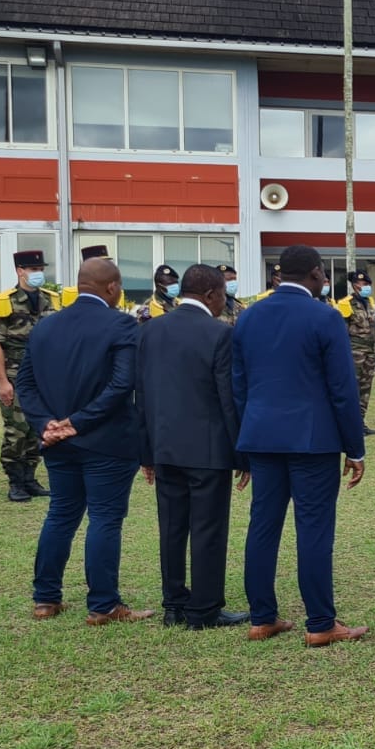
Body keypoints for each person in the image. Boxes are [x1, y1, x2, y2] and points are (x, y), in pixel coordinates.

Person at [232, 244, 368, 646]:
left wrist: (246, 439)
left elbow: (238, 387)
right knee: (313, 530)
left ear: (277, 275)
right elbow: (343, 389)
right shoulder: (325, 317)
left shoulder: (248, 317)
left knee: (263, 525)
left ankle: (261, 617)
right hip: (313, 441)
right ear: (314, 274)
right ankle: (321, 623)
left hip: (261, 436)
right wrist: (354, 448)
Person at [17, 256, 151, 623]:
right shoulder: (122, 325)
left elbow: (24, 384)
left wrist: (45, 424)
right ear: (111, 287)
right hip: (106, 440)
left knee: (61, 514)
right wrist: (77, 422)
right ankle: (104, 604)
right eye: (120, 286)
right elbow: (123, 384)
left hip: (58, 442)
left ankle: (46, 598)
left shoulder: (46, 326)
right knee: (105, 519)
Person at [136, 264, 252, 631]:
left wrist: (146, 453)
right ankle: (204, 609)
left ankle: (173, 604)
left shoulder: (150, 330)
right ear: (211, 295)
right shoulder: (219, 334)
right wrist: (241, 453)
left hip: (164, 445)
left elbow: (141, 396)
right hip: (208, 450)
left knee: (171, 527)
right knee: (208, 529)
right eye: (222, 295)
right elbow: (227, 399)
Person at [0, 248, 58, 502]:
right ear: (20, 271)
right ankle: (15, 481)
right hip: (15, 374)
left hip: (44, 377)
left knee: (37, 427)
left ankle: (30, 477)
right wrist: (3, 381)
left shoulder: (50, 300)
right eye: (33, 269)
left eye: (40, 269)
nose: (38, 274)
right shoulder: (5, 303)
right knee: (16, 430)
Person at [337, 269, 375, 435]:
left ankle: (360, 423)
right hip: (354, 351)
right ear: (355, 285)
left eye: (368, 284)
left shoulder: (368, 301)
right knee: (352, 389)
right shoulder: (346, 304)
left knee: (365, 389)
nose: (366, 287)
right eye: (363, 284)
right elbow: (342, 331)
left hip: (369, 351)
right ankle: (348, 424)